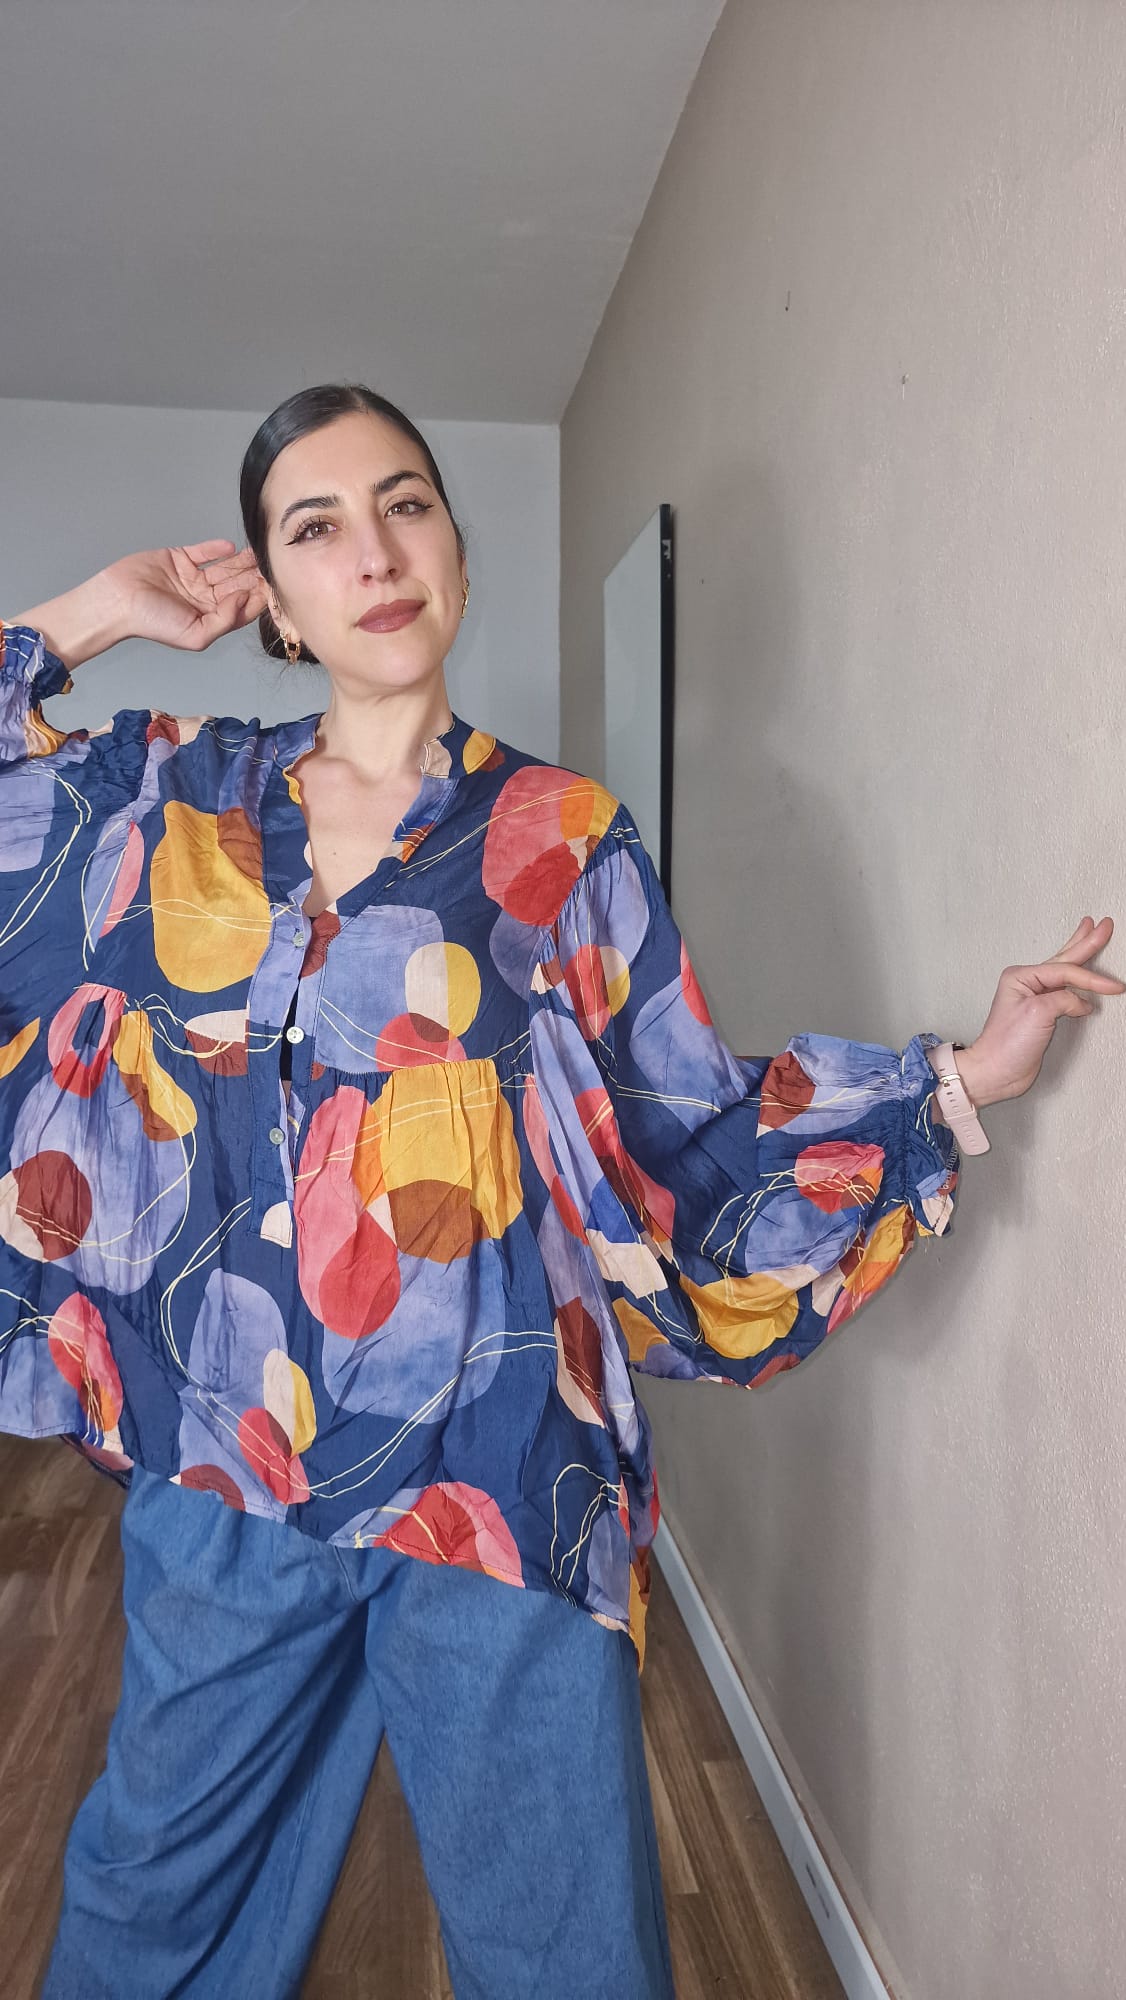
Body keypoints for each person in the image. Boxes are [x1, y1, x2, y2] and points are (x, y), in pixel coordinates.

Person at [1, 383, 1120, 2000]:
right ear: (274, 599)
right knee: (145, 1899)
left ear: (455, 549)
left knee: (560, 1946)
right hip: (228, 1462)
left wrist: (954, 1083)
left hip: (502, 1470)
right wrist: (101, 611)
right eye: (315, 527)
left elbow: (682, 1131)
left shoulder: (562, 838)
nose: (374, 551)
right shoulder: (167, 802)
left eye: (405, 504)